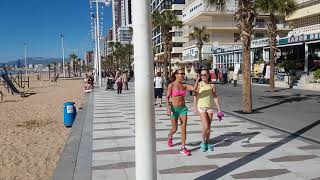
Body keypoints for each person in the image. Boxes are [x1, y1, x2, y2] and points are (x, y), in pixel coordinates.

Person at [166, 69, 199, 156]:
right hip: (174, 109)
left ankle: (183, 147)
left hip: (183, 109)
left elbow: (194, 89)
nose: (182, 75)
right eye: (181, 74)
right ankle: (170, 136)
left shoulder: (184, 85)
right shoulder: (171, 85)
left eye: (183, 74)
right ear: (176, 75)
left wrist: (197, 80)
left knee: (183, 127)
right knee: (174, 129)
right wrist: (168, 108)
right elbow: (167, 97)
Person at [193, 69, 223, 152]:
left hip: (209, 107)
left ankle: (207, 142)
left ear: (208, 75)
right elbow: (195, 95)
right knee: (206, 126)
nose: (203, 76)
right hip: (201, 107)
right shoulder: (199, 84)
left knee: (209, 128)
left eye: (204, 75)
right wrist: (194, 107)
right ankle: (202, 142)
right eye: (201, 75)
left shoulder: (212, 85)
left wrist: (219, 109)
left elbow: (215, 97)